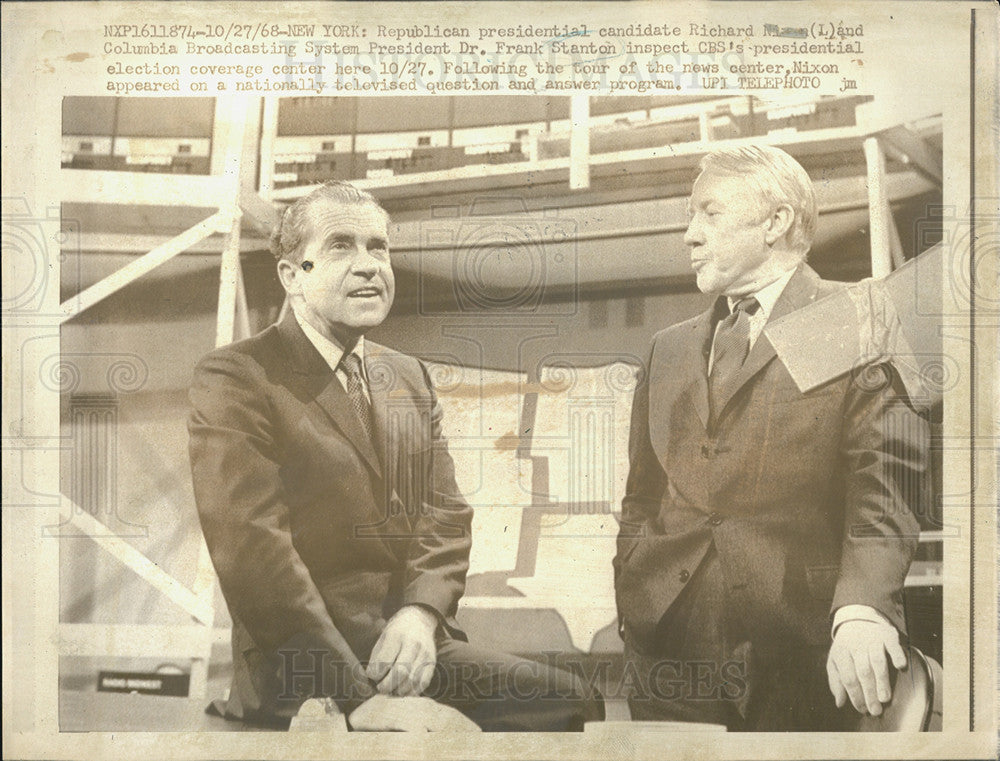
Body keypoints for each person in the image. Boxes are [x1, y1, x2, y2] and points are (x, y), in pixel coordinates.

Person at [189, 181, 602, 731]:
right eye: (341, 247)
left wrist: (420, 612)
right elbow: (253, 552)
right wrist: (361, 701)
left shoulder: (406, 375)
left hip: (411, 650)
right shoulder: (237, 377)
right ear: (293, 276)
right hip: (304, 670)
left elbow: (444, 514)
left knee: (573, 703)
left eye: (378, 247)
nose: (368, 266)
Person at [613, 145, 928, 730]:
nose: (689, 235)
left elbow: (883, 487)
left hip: (799, 651)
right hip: (667, 650)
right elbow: (642, 496)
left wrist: (861, 608)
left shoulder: (850, 317)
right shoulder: (669, 348)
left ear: (776, 222)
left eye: (708, 213)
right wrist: (634, 595)